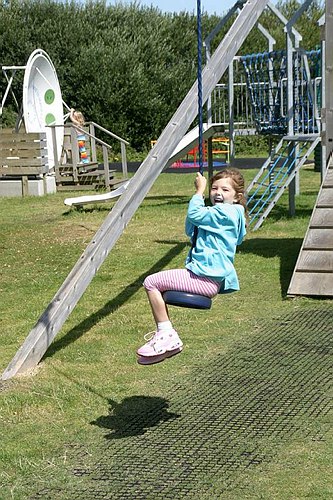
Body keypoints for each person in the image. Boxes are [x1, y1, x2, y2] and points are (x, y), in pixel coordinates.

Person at [137, 168, 248, 364]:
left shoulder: (228, 213)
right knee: (158, 285)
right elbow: (191, 227)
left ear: (237, 197)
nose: (218, 193)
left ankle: (166, 333)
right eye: (213, 188)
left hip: (204, 278)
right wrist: (197, 210)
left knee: (151, 282)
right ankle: (169, 348)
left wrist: (198, 192)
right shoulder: (218, 214)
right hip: (206, 277)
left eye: (225, 190)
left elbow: (195, 215)